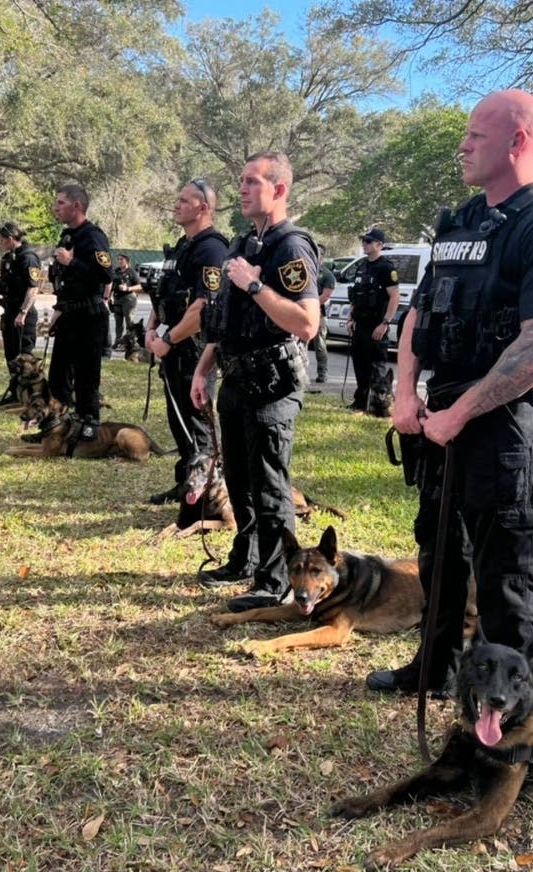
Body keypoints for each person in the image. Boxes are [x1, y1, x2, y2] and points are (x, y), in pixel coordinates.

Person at [366, 90, 533, 695]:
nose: (462, 146)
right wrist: (406, 394)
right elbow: (419, 313)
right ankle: (433, 670)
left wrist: (458, 414)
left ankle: (517, 715)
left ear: (518, 141)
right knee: (439, 553)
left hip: (500, 424)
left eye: (475, 136)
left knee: (503, 576)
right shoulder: (461, 221)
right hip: (440, 414)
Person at [191, 151, 320, 612]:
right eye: (241, 181)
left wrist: (254, 285)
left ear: (278, 190)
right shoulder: (242, 243)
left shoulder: (292, 247)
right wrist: (203, 367)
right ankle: (244, 560)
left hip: (274, 385)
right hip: (236, 379)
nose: (242, 189)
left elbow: (307, 324)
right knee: (240, 480)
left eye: (251, 182)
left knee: (269, 485)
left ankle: (273, 578)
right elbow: (225, 319)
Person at [144, 177, 229, 504]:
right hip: (171, 346)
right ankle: (186, 482)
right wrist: (152, 326)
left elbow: (203, 306)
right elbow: (163, 295)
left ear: (204, 207)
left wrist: (169, 338)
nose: (176, 204)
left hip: (193, 350)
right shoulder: (183, 246)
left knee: (198, 422)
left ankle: (210, 490)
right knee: (178, 419)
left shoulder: (212, 248)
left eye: (185, 200)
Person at [47, 183, 113, 440]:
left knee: (86, 376)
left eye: (61, 203)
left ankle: (89, 428)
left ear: (77, 206)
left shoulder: (93, 236)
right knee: (58, 375)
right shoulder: (67, 236)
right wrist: (59, 309)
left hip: (89, 316)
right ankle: (60, 427)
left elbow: (106, 274)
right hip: (69, 313)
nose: (56, 208)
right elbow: (65, 281)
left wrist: (72, 261)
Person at [346, 228, 400, 411]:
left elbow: (394, 297)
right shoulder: (362, 266)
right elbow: (355, 295)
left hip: (376, 325)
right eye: (364, 241)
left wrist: (385, 323)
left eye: (369, 241)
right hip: (360, 325)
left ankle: (381, 406)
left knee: (377, 368)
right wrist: (350, 318)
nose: (364, 244)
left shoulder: (386, 267)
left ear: (379, 245)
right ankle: (360, 401)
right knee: (359, 364)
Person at [0, 222, 42, 404]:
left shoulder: (28, 258)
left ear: (11, 239)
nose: (1, 243)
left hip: (24, 314)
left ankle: (29, 394)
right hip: (10, 310)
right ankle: (15, 392)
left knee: (24, 357)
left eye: (2, 239)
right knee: (11, 356)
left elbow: (33, 288)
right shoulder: (8, 258)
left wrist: (23, 312)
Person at [310, 246, 335, 383]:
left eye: (318, 254)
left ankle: (322, 373)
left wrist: (309, 306)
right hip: (302, 313)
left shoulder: (326, 274)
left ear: (323, 257)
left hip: (318, 314)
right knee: (299, 344)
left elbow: (325, 296)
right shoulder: (306, 269)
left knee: (319, 344)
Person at [110, 253, 142, 350]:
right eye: (118, 259)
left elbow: (140, 286)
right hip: (117, 299)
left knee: (129, 322)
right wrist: (109, 296)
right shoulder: (116, 271)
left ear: (127, 261)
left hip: (128, 299)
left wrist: (127, 288)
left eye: (121, 259)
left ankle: (130, 343)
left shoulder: (132, 272)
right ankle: (118, 341)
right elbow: (111, 283)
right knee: (118, 322)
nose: (119, 261)